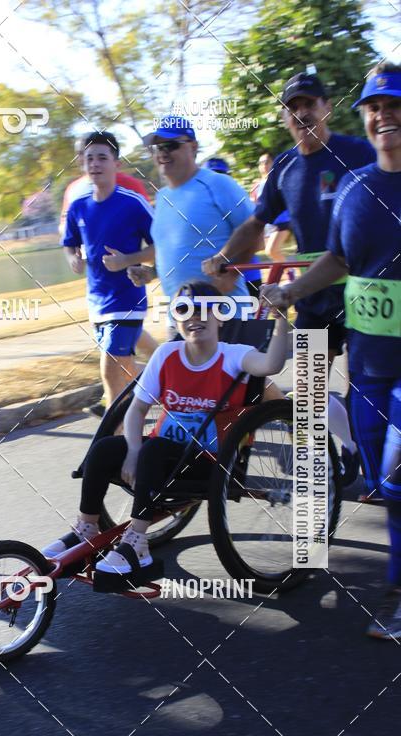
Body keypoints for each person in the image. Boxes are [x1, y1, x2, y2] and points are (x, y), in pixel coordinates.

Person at [261, 61, 401, 639]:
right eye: (375, 108)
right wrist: (289, 289)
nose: (383, 117)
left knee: (396, 472)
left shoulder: (349, 164)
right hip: (365, 358)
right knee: (380, 474)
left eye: (393, 106)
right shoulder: (356, 186)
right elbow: (339, 261)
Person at [43, 280, 290, 577]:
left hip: (211, 463)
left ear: (220, 317)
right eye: (184, 310)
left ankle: (137, 543)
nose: (194, 317)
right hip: (160, 459)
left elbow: (272, 365)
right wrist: (132, 451)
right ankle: (87, 527)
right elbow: (136, 411)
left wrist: (280, 318)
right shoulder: (166, 355)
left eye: (203, 310)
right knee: (105, 448)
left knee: (155, 449)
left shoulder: (234, 354)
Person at [203, 72, 377, 487]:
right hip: (314, 293)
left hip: (366, 291)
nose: (301, 113)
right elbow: (256, 223)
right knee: (311, 394)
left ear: (327, 107)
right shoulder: (284, 166)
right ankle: (341, 457)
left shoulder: (358, 152)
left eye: (309, 104)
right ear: (285, 116)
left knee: (366, 393)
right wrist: (224, 258)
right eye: (292, 107)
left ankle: (369, 463)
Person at [109, 117, 257, 338]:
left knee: (249, 373)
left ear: (193, 147)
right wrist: (151, 272)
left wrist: (231, 275)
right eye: (157, 147)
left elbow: (255, 234)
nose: (162, 153)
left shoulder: (217, 184)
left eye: (171, 145)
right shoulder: (163, 197)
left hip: (226, 316)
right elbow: (174, 252)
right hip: (180, 321)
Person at [63, 131, 154, 410]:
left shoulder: (132, 203)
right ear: (82, 164)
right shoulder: (78, 207)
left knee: (109, 371)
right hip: (97, 302)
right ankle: (172, 386)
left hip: (128, 300)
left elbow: (160, 246)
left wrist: (127, 260)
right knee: (126, 370)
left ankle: (110, 440)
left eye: (103, 157)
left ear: (117, 163)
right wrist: (73, 258)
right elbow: (70, 245)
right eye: (89, 158)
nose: (95, 164)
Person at [204, 156, 264, 298]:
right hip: (219, 280)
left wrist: (232, 272)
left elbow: (260, 243)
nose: (217, 180)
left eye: (221, 175)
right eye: (212, 175)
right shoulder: (204, 208)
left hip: (248, 275)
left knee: (255, 320)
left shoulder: (239, 200)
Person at [250, 152, 292, 262]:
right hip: (267, 224)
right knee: (273, 254)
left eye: (266, 162)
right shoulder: (256, 186)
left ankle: (290, 271)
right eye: (261, 163)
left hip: (282, 220)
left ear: (273, 163)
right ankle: (289, 273)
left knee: (272, 250)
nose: (263, 165)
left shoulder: (280, 180)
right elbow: (254, 205)